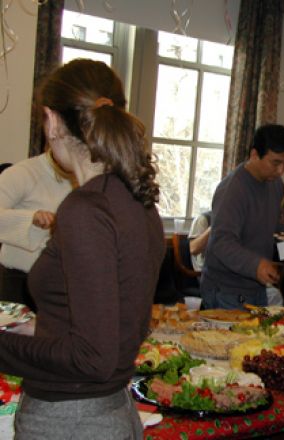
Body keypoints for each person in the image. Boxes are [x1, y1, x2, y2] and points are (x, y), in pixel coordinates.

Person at [0, 59, 165, 439]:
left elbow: (92, 358)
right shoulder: (137, 201)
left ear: (53, 121)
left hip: (70, 420)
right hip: (107, 411)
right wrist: (43, 328)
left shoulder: (84, 209)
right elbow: (117, 320)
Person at [200, 124, 284, 309]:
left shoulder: (276, 185)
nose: (281, 170)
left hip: (256, 287)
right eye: (276, 162)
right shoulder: (232, 189)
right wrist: (256, 265)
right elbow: (221, 242)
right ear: (254, 155)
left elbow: (267, 225)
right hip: (225, 290)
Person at [0, 149, 74, 310]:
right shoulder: (23, 173)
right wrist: (30, 218)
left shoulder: (86, 178)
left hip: (63, 282)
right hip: (19, 280)